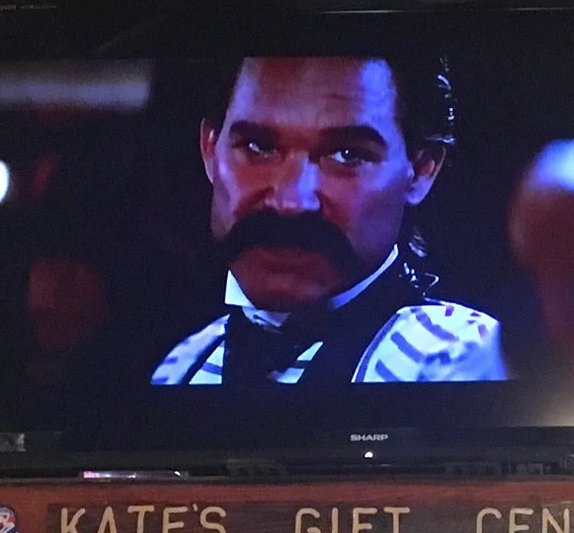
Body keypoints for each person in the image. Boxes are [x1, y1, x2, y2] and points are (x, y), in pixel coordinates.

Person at [151, 55, 505, 385]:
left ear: (421, 171)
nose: (291, 202)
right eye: (258, 146)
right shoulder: (183, 367)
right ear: (210, 151)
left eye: (347, 155)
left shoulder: (466, 362)